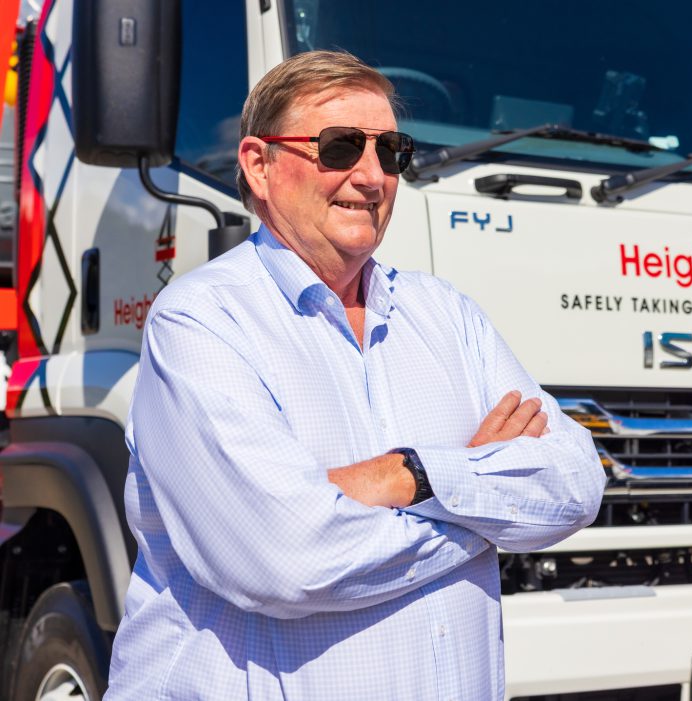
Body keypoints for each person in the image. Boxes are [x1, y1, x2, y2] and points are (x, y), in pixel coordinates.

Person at [104, 50, 606, 700]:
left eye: (391, 151)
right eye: (340, 147)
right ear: (258, 165)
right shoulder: (201, 320)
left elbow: (576, 482)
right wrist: (484, 507)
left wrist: (405, 477)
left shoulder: (448, 314)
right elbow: (285, 561)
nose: (372, 177)